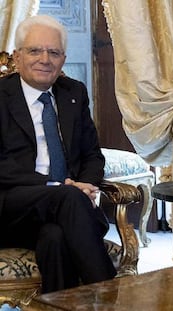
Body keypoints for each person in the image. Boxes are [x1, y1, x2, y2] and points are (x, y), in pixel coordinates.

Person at [0, 15, 116, 293]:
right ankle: (114, 297)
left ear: (63, 59)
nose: (45, 59)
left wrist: (85, 185)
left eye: (54, 52)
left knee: (55, 237)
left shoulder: (73, 93)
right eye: (34, 50)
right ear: (17, 55)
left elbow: (92, 156)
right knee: (67, 197)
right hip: (10, 206)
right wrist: (57, 186)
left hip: (64, 210)